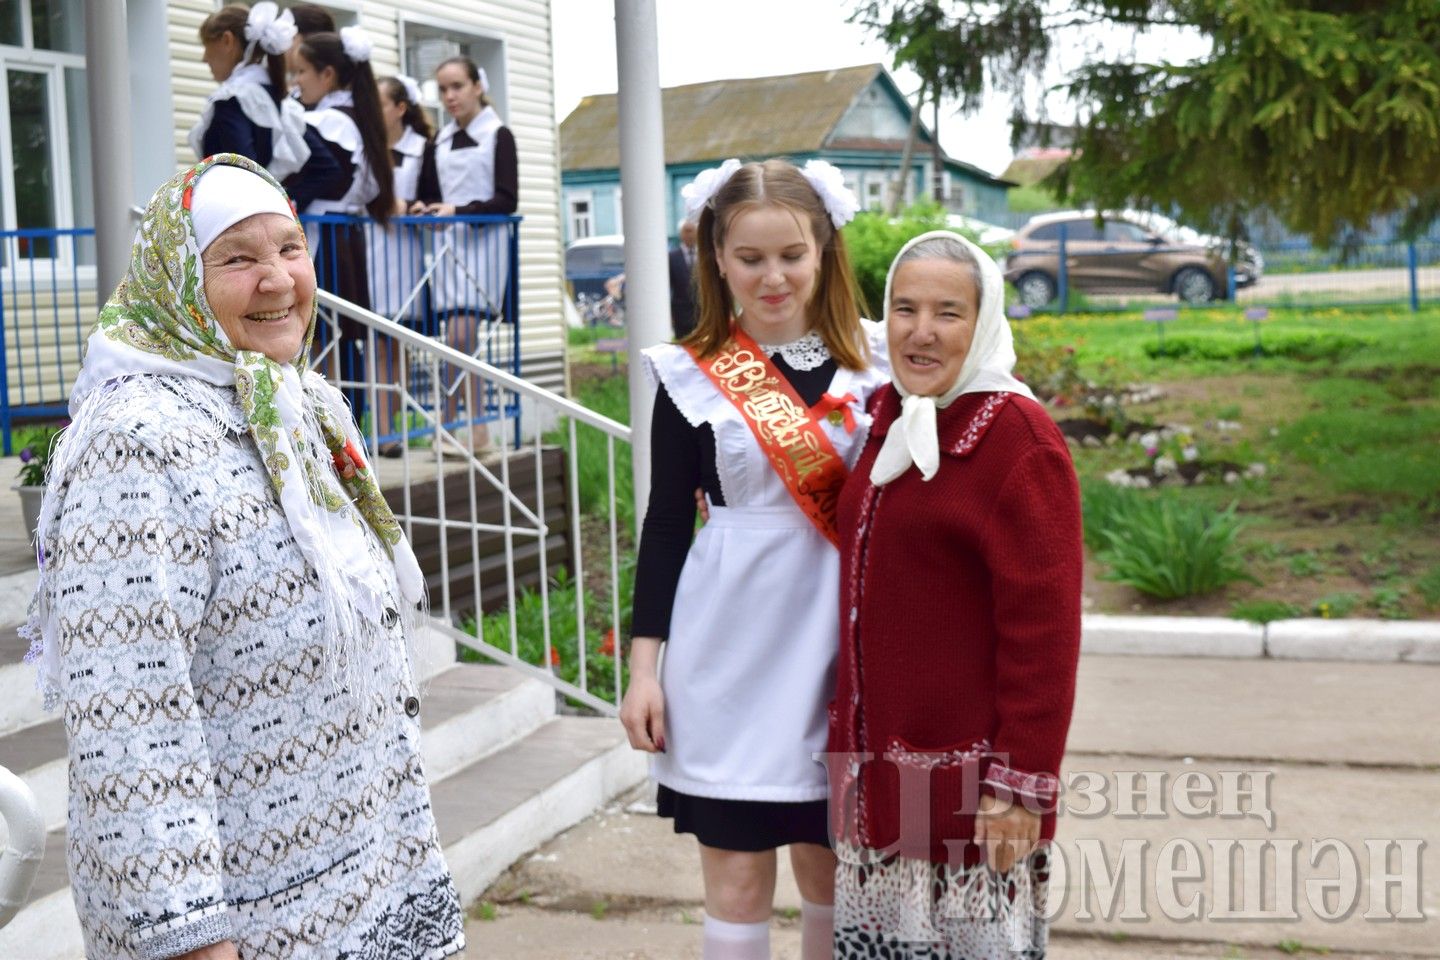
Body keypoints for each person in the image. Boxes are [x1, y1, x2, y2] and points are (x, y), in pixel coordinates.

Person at [20, 153, 464, 960]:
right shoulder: (135, 445)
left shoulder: (300, 401)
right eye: (237, 257)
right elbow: (130, 719)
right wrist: (193, 938)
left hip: (364, 885)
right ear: (177, 279)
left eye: (290, 249)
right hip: (244, 926)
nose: (277, 279)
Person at [620, 157, 884, 960]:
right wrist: (643, 670)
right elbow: (666, 526)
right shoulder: (688, 375)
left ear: (825, 250)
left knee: (835, 871)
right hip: (729, 653)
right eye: (750, 258)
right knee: (735, 881)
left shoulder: (879, 364)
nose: (774, 277)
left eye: (791, 255)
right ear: (717, 261)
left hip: (845, 652)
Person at [826, 230, 1082, 958]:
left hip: (972, 796)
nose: (922, 332)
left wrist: (1022, 785)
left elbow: (1046, 634)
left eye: (948, 312)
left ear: (985, 321)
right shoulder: (888, 417)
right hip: (876, 786)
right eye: (904, 309)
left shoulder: (1018, 441)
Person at [411, 56, 518, 451]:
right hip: (445, 247)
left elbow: (507, 199)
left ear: (477, 86)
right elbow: (432, 193)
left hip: (482, 246)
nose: (450, 96)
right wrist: (426, 208)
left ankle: (461, 423)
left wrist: (458, 211)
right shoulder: (437, 140)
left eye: (457, 86)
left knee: (461, 335)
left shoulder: (498, 134)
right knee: (454, 339)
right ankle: (467, 426)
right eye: (442, 89)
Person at [190, 2, 345, 214]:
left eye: (207, 45)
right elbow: (326, 168)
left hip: (234, 218)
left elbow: (244, 170)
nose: (204, 57)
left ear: (227, 40)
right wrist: (287, 202)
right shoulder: (279, 100)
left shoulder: (233, 99)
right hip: (262, 219)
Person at [370, 74, 434, 453]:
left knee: (397, 341)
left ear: (400, 108)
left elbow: (431, 196)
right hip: (370, 248)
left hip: (405, 250)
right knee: (377, 340)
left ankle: (392, 428)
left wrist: (408, 207)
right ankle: (381, 430)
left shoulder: (423, 149)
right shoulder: (366, 148)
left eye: (380, 104)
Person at [668, 217, 699, 339]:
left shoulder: (706, 256)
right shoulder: (671, 257)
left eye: (692, 230)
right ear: (681, 234)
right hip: (681, 314)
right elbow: (668, 287)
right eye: (687, 231)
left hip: (704, 313)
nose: (690, 234)